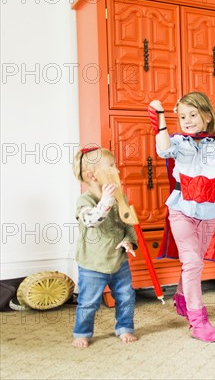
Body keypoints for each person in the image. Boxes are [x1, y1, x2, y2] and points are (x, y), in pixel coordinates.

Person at [148, 92, 215, 342]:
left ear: (207, 115)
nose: (187, 120)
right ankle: (198, 322)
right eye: (182, 116)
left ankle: (181, 299)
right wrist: (159, 121)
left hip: (209, 210)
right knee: (192, 262)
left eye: (193, 114)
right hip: (181, 209)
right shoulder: (179, 141)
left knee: (194, 260)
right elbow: (163, 149)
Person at [71, 147, 138, 348]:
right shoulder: (85, 200)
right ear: (92, 176)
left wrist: (129, 241)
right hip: (93, 263)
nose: (117, 170)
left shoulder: (120, 198)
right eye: (111, 167)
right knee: (88, 301)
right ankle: (82, 332)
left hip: (118, 261)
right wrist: (106, 201)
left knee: (126, 297)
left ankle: (125, 327)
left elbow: (128, 222)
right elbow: (91, 220)